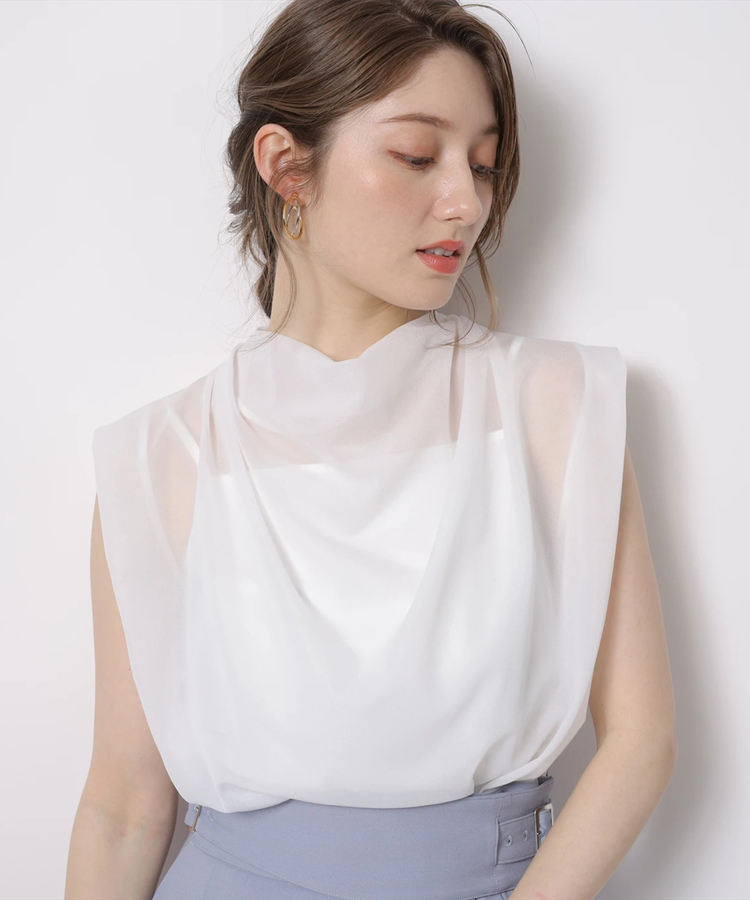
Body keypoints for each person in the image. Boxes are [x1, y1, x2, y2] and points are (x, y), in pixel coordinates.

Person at [65, 1, 677, 898]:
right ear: (287, 166)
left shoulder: (557, 404)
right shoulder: (160, 458)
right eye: (418, 156)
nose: (467, 202)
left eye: (483, 163)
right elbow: (122, 807)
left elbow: (642, 740)